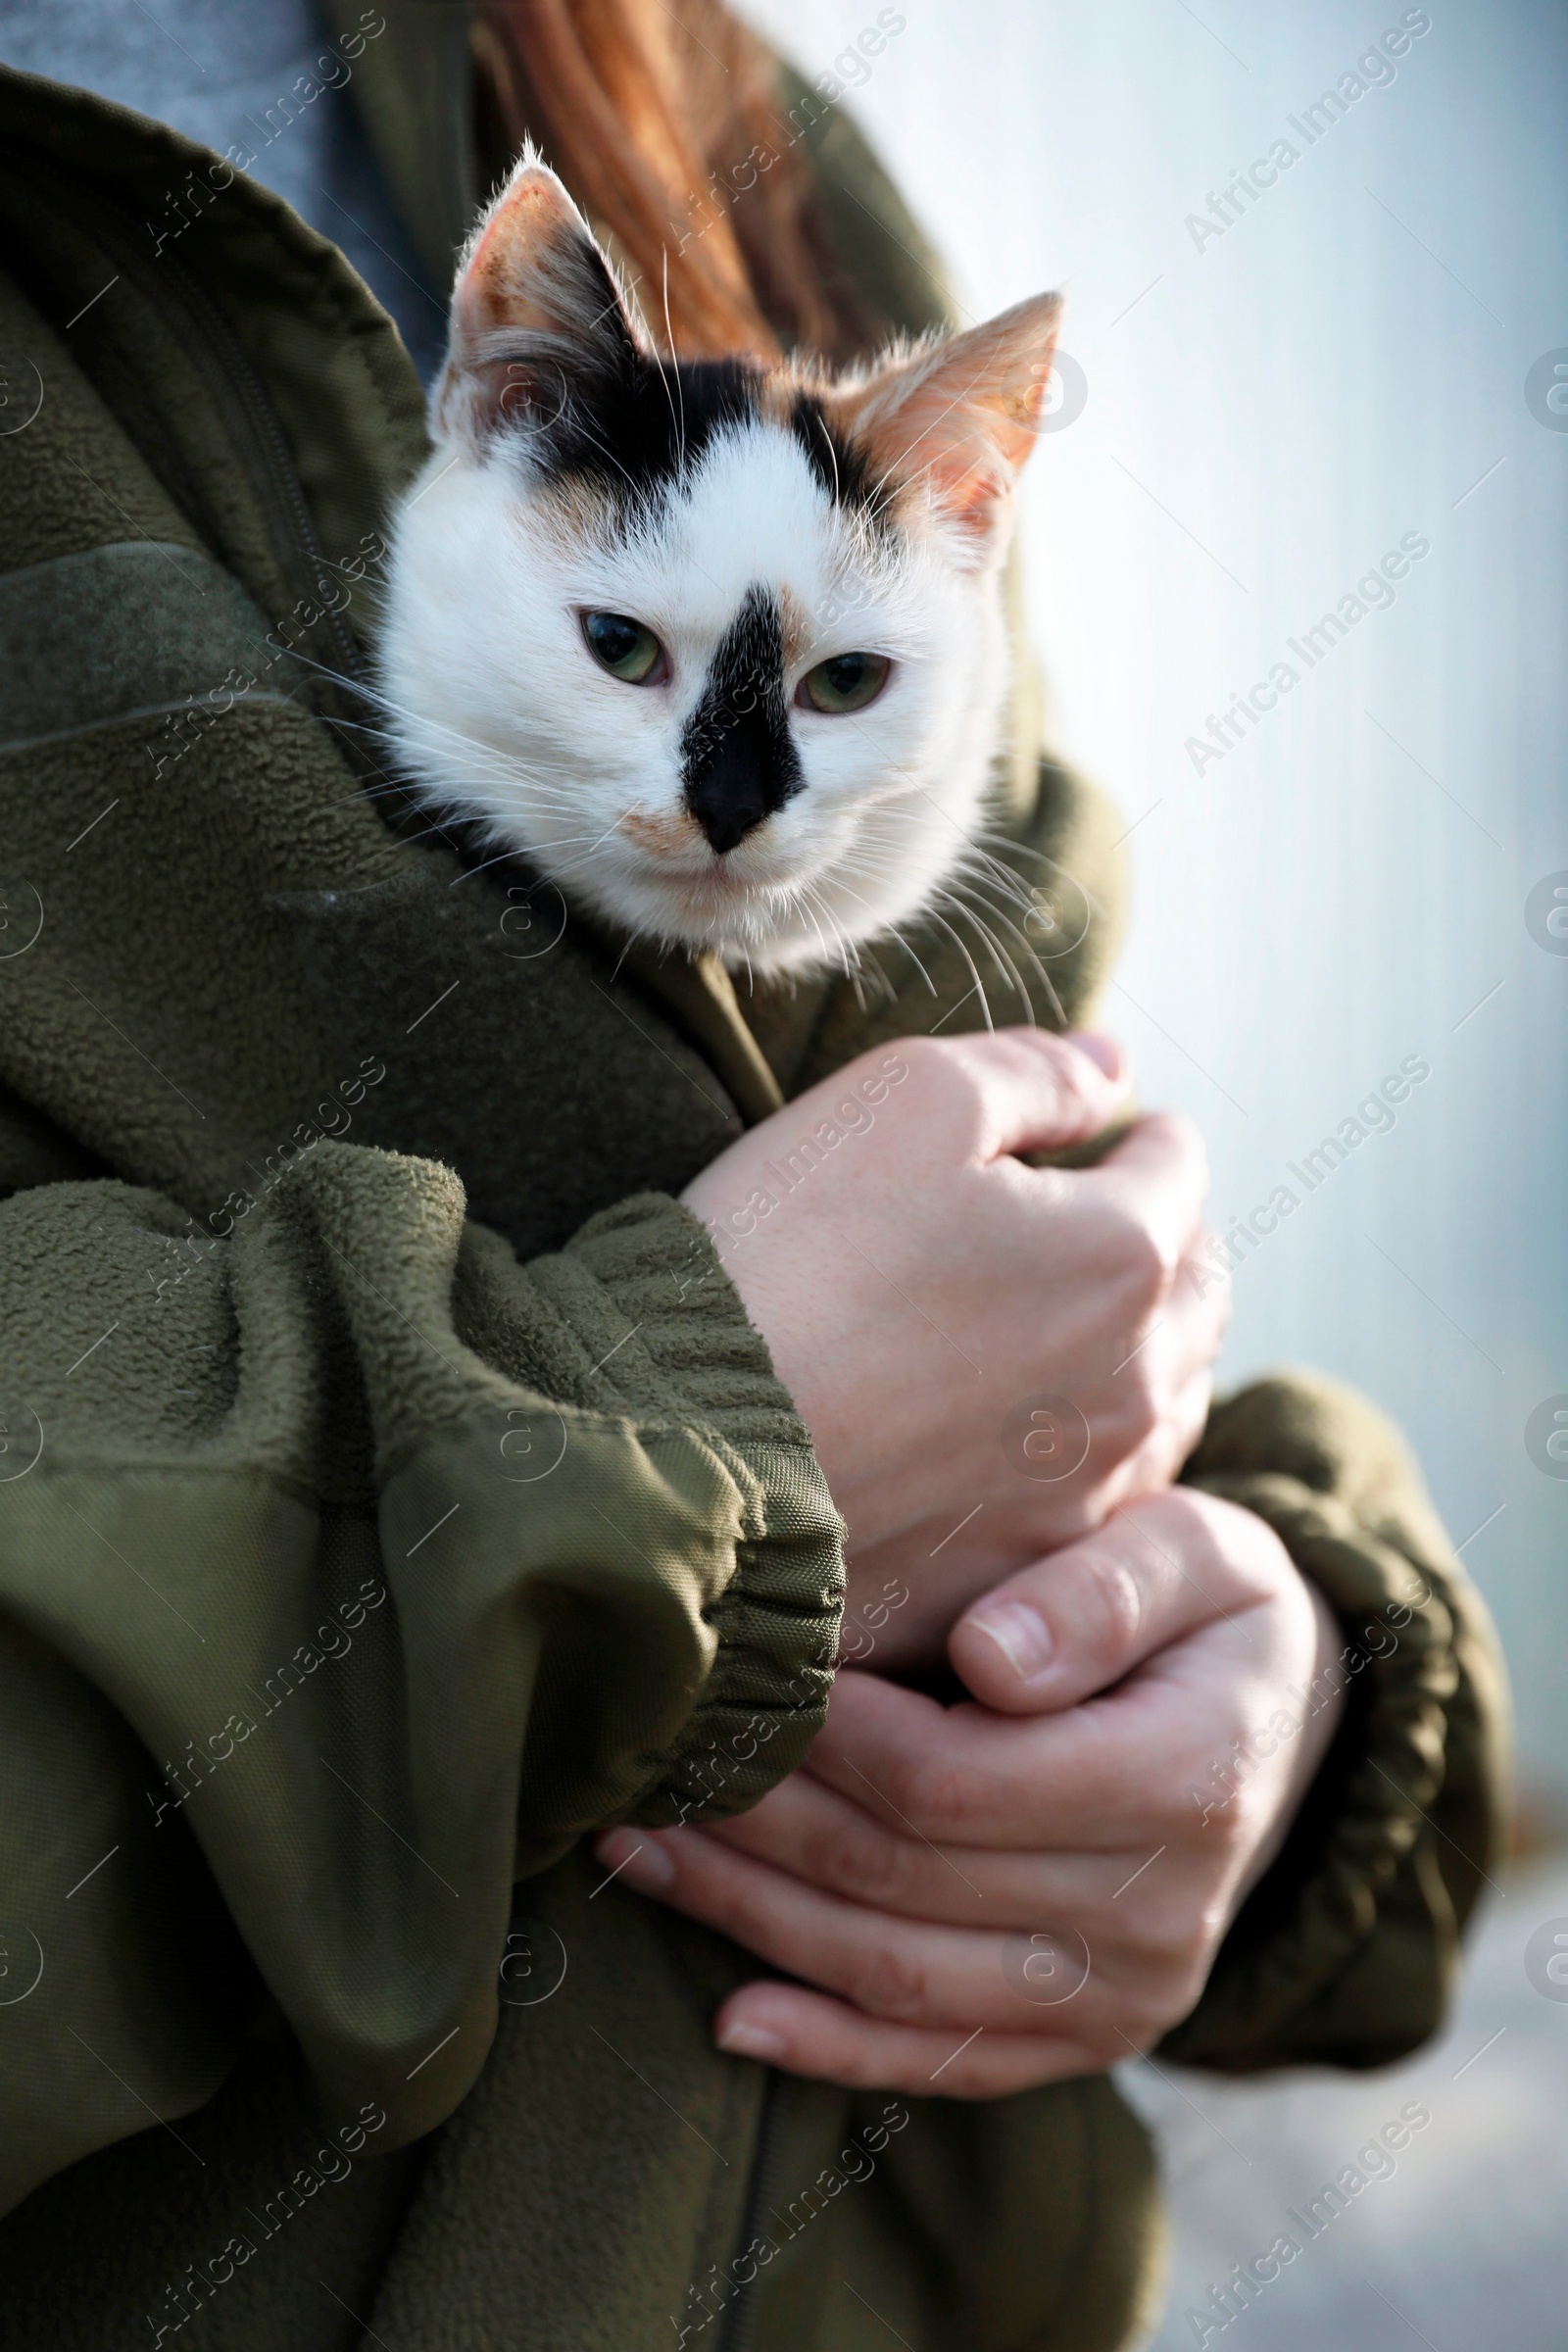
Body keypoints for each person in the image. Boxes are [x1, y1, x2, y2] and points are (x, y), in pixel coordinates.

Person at [0, 3, 1506, 2347]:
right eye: (617, 647)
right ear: (490, 431)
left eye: (824, 699)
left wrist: (1290, 1656)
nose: (727, 804)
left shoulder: (741, 129)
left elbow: (1075, 1298)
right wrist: (663, 1411)